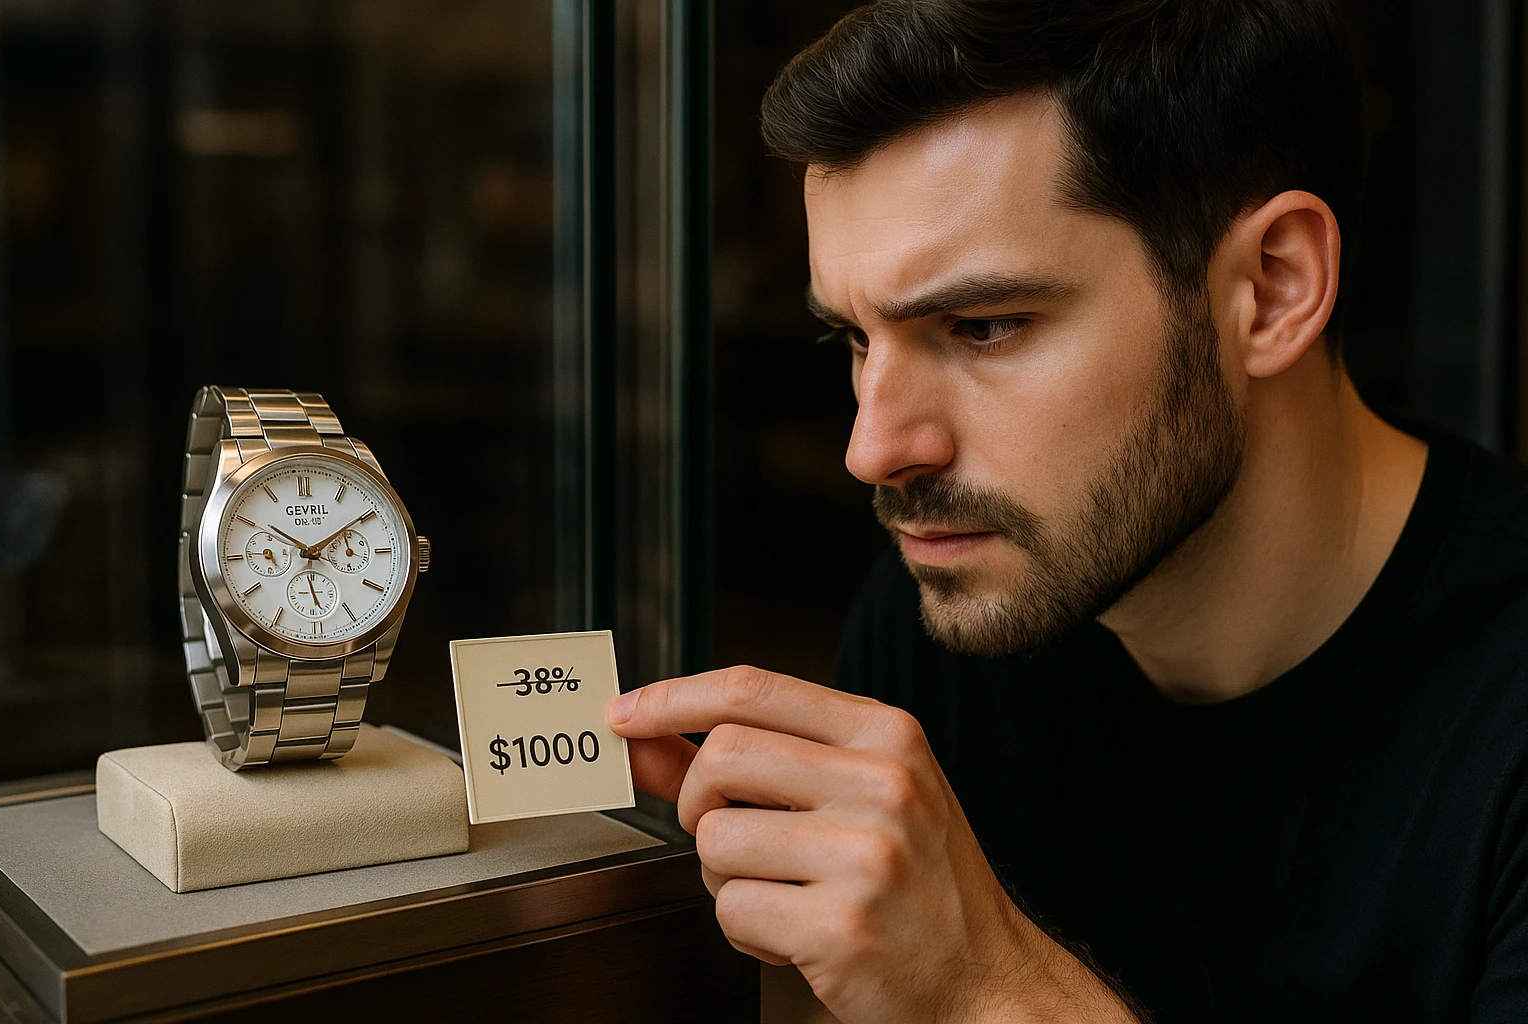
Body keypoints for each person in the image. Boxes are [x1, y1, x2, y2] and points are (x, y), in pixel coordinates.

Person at [607, 1, 1528, 1020]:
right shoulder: (941, 637)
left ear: (1271, 288)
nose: (872, 447)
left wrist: (987, 985)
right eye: (856, 341)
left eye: (984, 325)